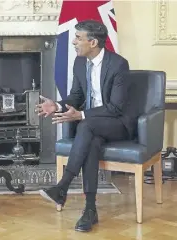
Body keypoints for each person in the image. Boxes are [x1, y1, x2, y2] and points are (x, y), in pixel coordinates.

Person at [35, 20, 136, 232]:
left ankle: (63, 185)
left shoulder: (118, 64)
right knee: (90, 138)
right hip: (92, 126)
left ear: (93, 42)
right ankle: (90, 210)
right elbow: (77, 96)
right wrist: (58, 105)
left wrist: (80, 114)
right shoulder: (80, 63)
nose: (73, 41)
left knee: (86, 125)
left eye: (78, 38)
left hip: (117, 123)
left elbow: (116, 107)